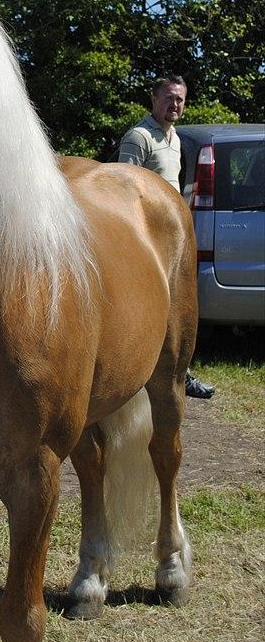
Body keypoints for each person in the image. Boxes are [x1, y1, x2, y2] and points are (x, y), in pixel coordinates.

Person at [119, 74, 215, 400]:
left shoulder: (175, 139)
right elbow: (123, 191)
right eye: (169, 98)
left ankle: (178, 373)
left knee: (177, 312)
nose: (174, 104)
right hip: (145, 241)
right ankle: (130, 377)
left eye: (180, 100)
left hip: (171, 240)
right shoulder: (139, 137)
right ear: (154, 99)